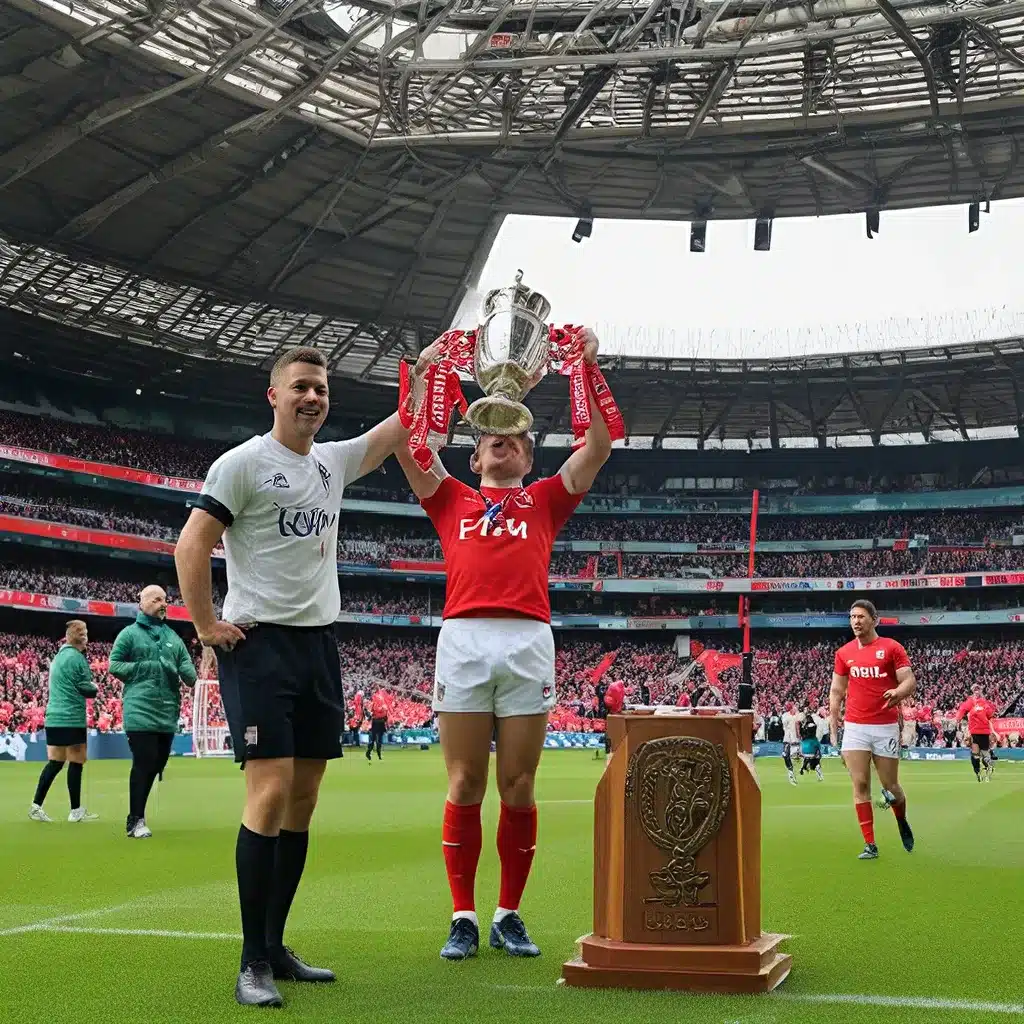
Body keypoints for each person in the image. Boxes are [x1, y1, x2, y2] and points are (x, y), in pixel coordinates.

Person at [174, 345, 417, 1008]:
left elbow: (401, 427)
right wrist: (205, 624)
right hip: (260, 646)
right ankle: (251, 960)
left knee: (305, 798)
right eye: (302, 387)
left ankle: (277, 946)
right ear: (274, 396)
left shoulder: (332, 462)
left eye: (321, 389)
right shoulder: (244, 463)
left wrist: (431, 375)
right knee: (272, 791)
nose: (313, 398)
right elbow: (191, 544)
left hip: (318, 646)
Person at [394, 328, 611, 963]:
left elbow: (596, 446)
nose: (506, 443)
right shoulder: (450, 499)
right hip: (462, 637)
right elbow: (410, 443)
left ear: (527, 455)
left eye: (517, 438)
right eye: (493, 438)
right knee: (464, 781)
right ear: (475, 456)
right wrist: (428, 368)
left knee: (518, 783)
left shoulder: (545, 500)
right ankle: (462, 914)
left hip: (527, 641)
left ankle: (508, 913)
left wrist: (587, 368)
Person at [829, 600, 917, 860]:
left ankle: (901, 819)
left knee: (891, 788)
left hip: (885, 726)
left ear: (874, 620)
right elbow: (836, 691)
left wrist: (898, 692)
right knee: (861, 784)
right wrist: (835, 726)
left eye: (861, 617)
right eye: (852, 617)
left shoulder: (891, 648)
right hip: (855, 726)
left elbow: (909, 681)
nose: (856, 621)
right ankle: (870, 844)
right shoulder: (844, 653)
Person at [108, 585, 197, 839]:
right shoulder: (129, 634)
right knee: (144, 761)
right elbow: (114, 665)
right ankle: (135, 819)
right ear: (142, 603)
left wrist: (183, 669)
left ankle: (138, 816)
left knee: (157, 763)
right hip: (139, 709)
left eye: (165, 600)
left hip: (167, 712)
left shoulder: (173, 637)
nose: (162, 604)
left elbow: (190, 675)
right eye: (156, 599)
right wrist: (146, 667)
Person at [29, 619, 99, 823]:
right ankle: (75, 811)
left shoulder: (58, 657)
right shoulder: (77, 658)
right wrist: (94, 687)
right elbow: (86, 688)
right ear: (81, 637)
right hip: (71, 718)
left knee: (55, 762)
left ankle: (36, 806)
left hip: (54, 717)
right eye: (85, 634)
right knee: (77, 760)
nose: (87, 638)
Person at [955, 684, 1000, 782]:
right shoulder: (970, 702)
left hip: (984, 731)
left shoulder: (985, 703)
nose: (977, 691)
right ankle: (977, 771)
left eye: (978, 689)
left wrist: (993, 729)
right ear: (972, 691)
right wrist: (958, 719)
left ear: (980, 691)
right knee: (975, 754)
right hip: (974, 731)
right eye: (975, 689)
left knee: (985, 754)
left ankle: (988, 769)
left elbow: (990, 715)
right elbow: (962, 710)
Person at [798, 710, 823, 781]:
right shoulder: (813, 728)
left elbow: (802, 734)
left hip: (805, 749)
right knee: (816, 761)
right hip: (811, 747)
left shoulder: (804, 728)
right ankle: (818, 772)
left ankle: (803, 768)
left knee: (807, 758)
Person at [781, 701, 801, 786]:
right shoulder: (785, 715)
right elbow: (785, 724)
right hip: (787, 738)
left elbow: (799, 724)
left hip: (795, 739)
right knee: (785, 754)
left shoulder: (798, 715)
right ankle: (790, 770)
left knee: (795, 756)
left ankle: (795, 771)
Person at [366, 689, 389, 761]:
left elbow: (370, 715)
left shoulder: (375, 705)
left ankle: (372, 753)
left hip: (377, 723)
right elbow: (385, 717)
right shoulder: (378, 705)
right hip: (378, 723)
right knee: (376, 740)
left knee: (376, 740)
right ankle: (375, 754)